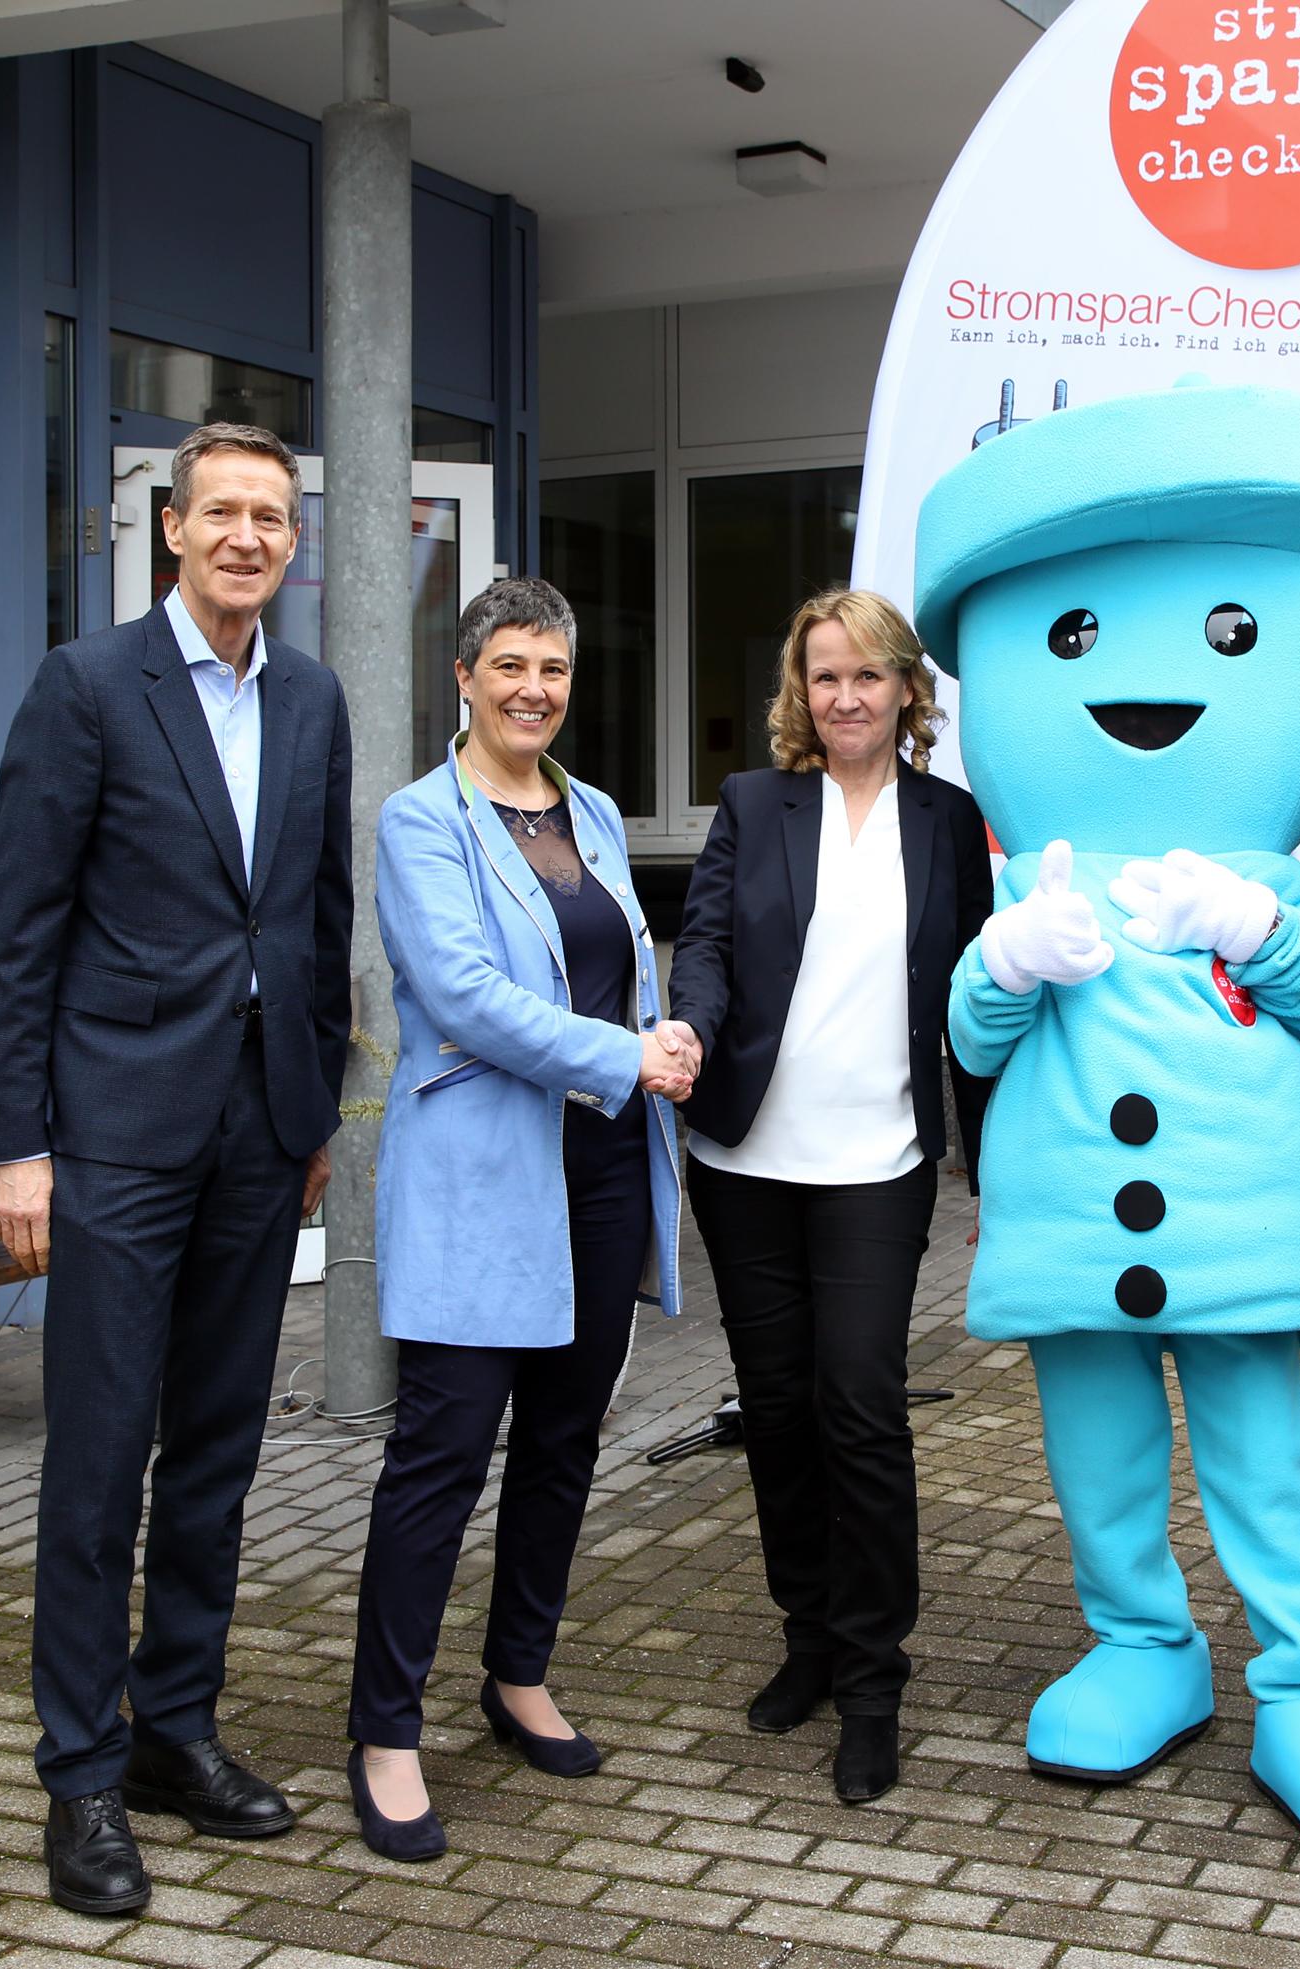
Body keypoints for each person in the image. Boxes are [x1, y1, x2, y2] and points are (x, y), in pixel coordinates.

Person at [0, 423, 352, 1916]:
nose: (250, 535)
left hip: (259, 1139)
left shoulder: (312, 699)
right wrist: (17, 1142)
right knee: (98, 1462)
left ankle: (172, 1730)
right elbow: (18, 931)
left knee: (217, 1451)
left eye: (272, 515)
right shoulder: (86, 687)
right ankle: (79, 1773)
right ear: (172, 528)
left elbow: (313, 920)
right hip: (115, 1140)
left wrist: (311, 1107)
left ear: (288, 541)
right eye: (224, 512)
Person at [345, 577, 688, 1861]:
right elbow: (466, 993)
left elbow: (628, 962)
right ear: (465, 676)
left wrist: (669, 1032)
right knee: (440, 1457)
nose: (533, 688)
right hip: (485, 1179)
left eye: (552, 667)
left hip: (597, 1173)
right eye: (510, 665)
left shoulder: (590, 808)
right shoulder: (420, 821)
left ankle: (517, 1674)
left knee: (563, 1441)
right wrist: (624, 1054)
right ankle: (385, 1731)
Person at [666, 588, 992, 1805]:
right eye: (824, 678)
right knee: (781, 1411)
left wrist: (995, 1155)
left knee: (861, 1405)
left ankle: (872, 1679)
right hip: (746, 1161)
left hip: (880, 1164)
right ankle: (806, 1635)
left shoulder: (951, 822)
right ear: (798, 695)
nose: (845, 697)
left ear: (908, 689)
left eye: (867, 676)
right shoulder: (757, 806)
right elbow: (704, 941)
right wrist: (691, 1024)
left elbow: (976, 998)